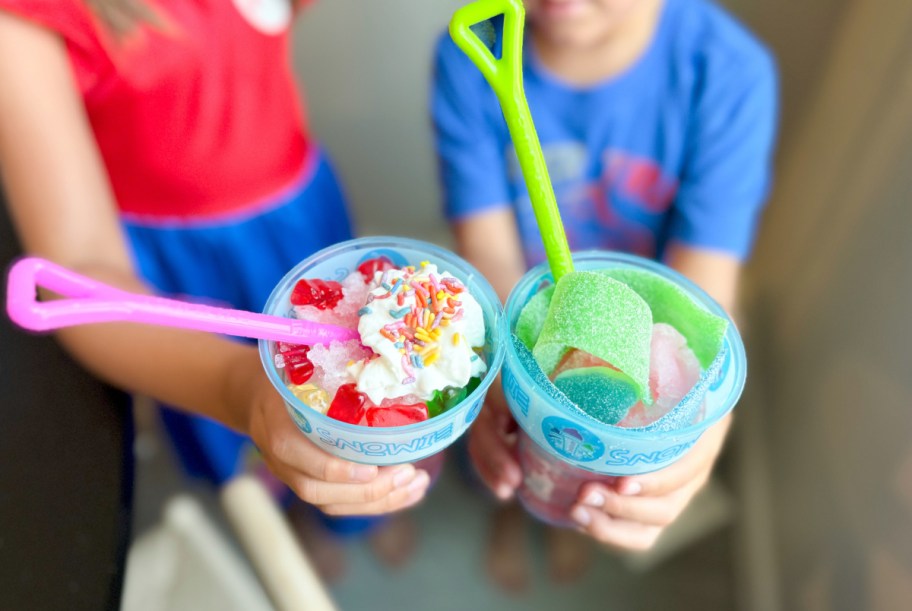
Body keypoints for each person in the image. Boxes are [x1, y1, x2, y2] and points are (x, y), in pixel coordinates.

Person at [0, 0, 430, 578]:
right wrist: (238, 388)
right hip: (178, 277)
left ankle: (359, 517)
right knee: (265, 447)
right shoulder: (20, 25)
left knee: (362, 396)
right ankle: (294, 515)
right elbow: (79, 268)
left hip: (297, 216)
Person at [432, 0, 777, 589]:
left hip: (640, 353)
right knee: (513, 460)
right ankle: (512, 518)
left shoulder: (728, 76)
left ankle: (561, 527)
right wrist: (508, 373)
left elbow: (704, 298)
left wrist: (699, 438)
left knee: (585, 485)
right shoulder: (473, 55)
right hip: (527, 327)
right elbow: (489, 253)